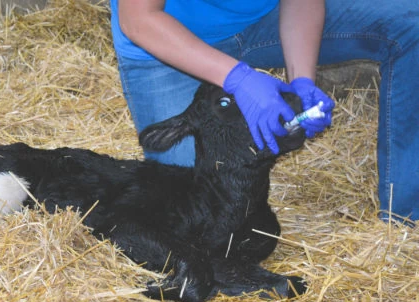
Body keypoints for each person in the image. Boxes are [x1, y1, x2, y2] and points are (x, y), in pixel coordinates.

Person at [109, 0, 419, 223]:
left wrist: (302, 81)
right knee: (196, 213)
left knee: (411, 25)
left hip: (260, 18)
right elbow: (138, 19)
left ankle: (406, 218)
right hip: (167, 39)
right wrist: (239, 78)